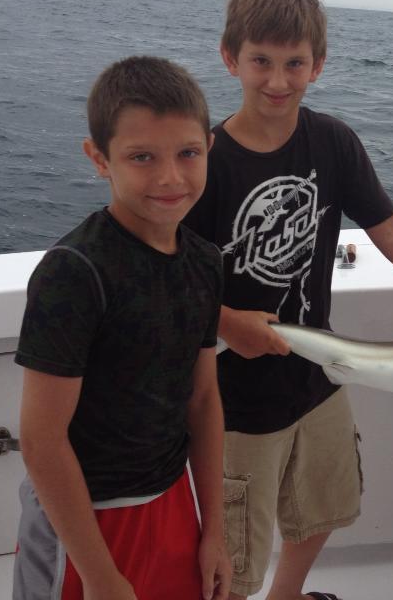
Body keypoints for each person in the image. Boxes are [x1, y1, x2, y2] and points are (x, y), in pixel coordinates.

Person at [183, 0, 393, 600]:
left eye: (294, 63)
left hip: (318, 373)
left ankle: (286, 595)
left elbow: (392, 230)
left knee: (325, 506)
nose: (278, 80)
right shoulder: (205, 160)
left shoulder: (332, 142)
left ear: (319, 65)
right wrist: (227, 323)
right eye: (261, 61)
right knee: (232, 548)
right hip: (229, 396)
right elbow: (168, 280)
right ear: (230, 59)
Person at [13, 56, 230, 600]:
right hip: (84, 525)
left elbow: (203, 399)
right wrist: (100, 576)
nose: (170, 177)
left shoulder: (205, 262)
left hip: (174, 502)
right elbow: (42, 442)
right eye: (142, 157)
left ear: (209, 147)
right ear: (99, 159)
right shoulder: (73, 272)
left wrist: (215, 530)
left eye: (188, 153)